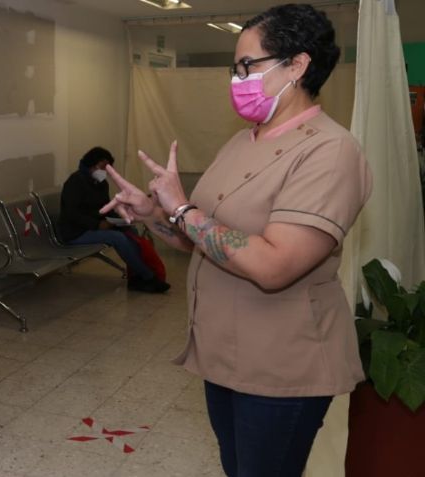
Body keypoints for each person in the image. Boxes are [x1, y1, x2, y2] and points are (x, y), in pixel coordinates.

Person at [101, 5, 372, 477]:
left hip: (282, 365)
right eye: (235, 68)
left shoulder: (330, 151)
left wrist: (183, 209)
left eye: (248, 66)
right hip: (223, 354)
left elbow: (274, 265)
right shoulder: (242, 141)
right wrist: (155, 215)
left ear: (298, 65)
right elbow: (201, 240)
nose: (237, 78)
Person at [59, 146, 170, 293]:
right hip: (75, 232)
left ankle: (136, 276)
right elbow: (71, 213)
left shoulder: (101, 183)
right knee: (117, 237)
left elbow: (105, 208)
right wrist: (97, 224)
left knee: (131, 229)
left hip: (94, 227)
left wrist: (120, 219)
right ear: (91, 163)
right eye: (103, 166)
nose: (105, 171)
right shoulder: (75, 181)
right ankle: (148, 277)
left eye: (108, 167)